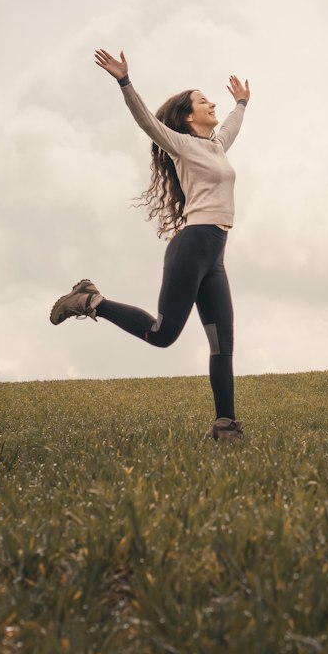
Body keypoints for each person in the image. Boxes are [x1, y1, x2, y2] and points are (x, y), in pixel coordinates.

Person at [49, 49, 251, 442]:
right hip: (193, 246)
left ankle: (226, 428)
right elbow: (145, 120)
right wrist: (125, 81)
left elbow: (232, 125)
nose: (212, 103)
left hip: (215, 254)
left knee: (222, 343)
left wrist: (241, 102)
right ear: (189, 116)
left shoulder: (215, 147)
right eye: (203, 100)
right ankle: (90, 301)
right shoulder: (181, 145)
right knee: (162, 335)